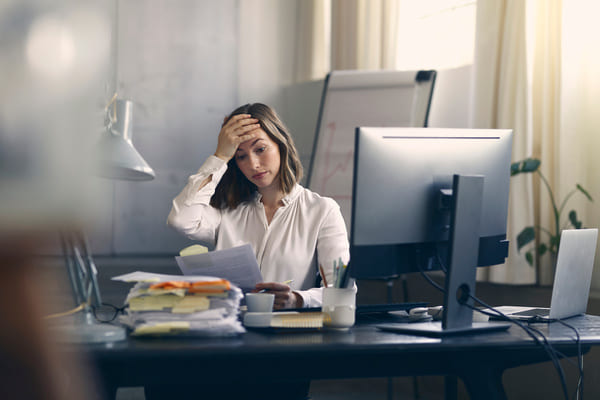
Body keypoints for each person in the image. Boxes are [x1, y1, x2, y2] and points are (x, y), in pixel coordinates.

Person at [167, 102, 350, 309]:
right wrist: (220, 156)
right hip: (230, 330)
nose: (253, 164)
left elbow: (342, 291)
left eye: (260, 149)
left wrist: (297, 299)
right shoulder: (228, 212)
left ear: (281, 144)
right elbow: (181, 220)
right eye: (241, 156)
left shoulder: (322, 210)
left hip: (286, 333)